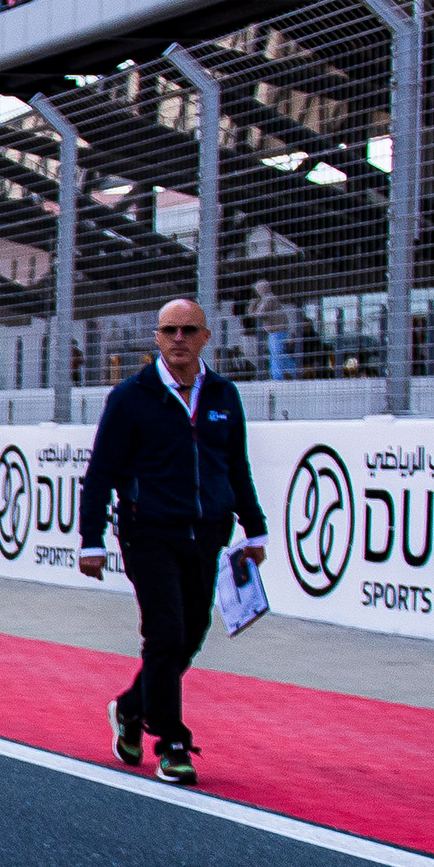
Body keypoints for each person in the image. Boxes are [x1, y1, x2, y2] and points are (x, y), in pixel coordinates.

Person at [78, 296, 269, 789]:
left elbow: (237, 467)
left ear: (206, 337)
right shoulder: (130, 397)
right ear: (157, 338)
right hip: (148, 532)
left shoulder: (225, 396)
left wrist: (256, 527)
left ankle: (131, 707)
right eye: (169, 331)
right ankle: (173, 743)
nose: (179, 339)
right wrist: (91, 539)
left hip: (208, 532)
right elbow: (100, 474)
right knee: (164, 633)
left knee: (190, 635)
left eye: (189, 330)